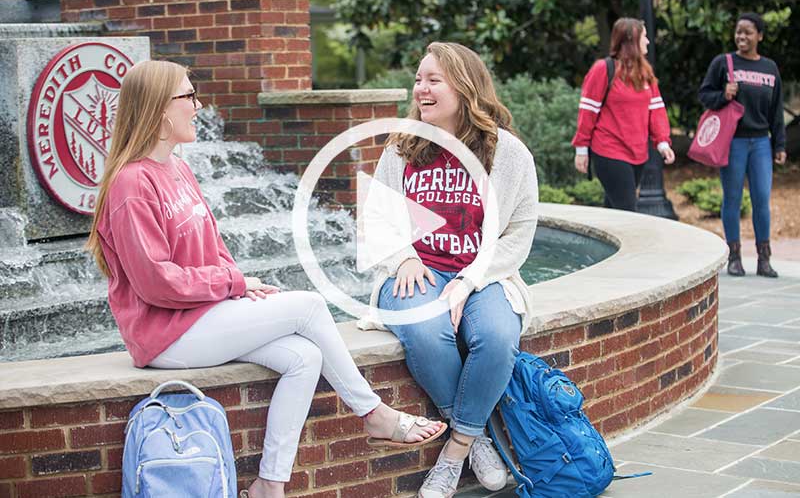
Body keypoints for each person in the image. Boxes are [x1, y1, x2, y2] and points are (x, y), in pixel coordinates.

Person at [86, 60, 445, 498]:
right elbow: (156, 283)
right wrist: (232, 283)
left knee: (303, 358)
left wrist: (238, 286)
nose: (198, 106)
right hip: (164, 334)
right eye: (188, 96)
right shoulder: (131, 184)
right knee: (310, 307)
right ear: (161, 108)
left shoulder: (178, 169)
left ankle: (269, 485)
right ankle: (372, 412)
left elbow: (214, 248)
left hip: (202, 315)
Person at [358, 42, 539, 498]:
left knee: (497, 338)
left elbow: (519, 232)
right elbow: (375, 218)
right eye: (419, 79)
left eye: (433, 79)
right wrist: (402, 257)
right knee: (423, 327)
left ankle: (455, 451)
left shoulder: (508, 154)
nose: (421, 88)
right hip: (416, 270)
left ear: (465, 86)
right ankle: (476, 437)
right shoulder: (402, 147)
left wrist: (469, 278)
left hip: (484, 274)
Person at [698, 12, 787, 278]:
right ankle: (734, 257)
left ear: (759, 36)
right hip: (733, 142)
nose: (742, 37)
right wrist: (722, 95)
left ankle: (764, 259)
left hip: (761, 142)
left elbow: (776, 110)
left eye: (748, 32)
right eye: (738, 32)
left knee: (761, 199)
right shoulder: (723, 63)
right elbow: (704, 95)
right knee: (733, 199)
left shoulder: (770, 68)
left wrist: (779, 145)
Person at [572, 17, 676, 211]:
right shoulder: (603, 69)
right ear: (631, 40)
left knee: (614, 211)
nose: (648, 41)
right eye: (644, 37)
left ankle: (599, 241)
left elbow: (656, 110)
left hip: (637, 153)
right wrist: (581, 149)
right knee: (628, 211)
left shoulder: (645, 72)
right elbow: (588, 111)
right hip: (609, 150)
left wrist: (662, 142)